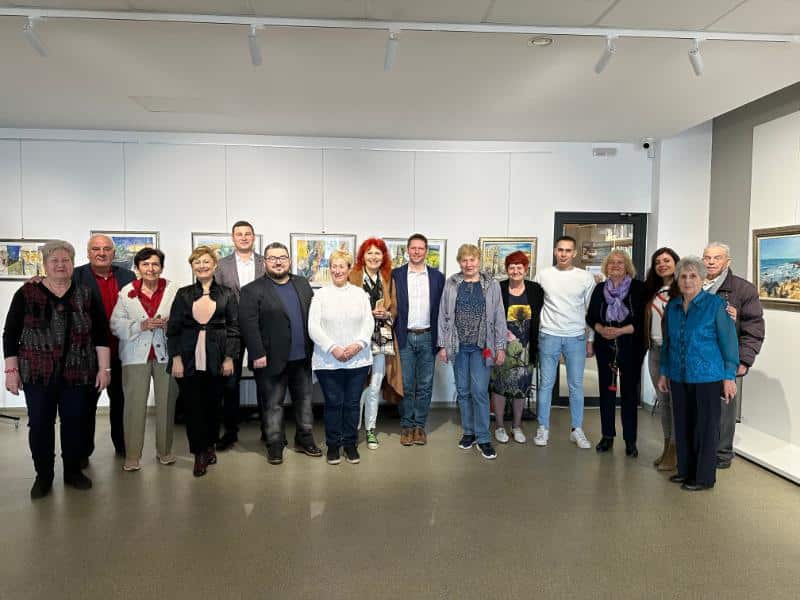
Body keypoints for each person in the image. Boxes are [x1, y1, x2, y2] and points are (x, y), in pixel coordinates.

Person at [3, 240, 110, 498]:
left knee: (75, 423)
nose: (60, 265)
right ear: (45, 264)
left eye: (66, 260)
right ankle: (44, 476)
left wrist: (104, 369)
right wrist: (11, 372)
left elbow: (101, 333)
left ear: (73, 263)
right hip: (37, 374)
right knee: (40, 425)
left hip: (79, 372)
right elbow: (10, 334)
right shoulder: (27, 293)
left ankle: (73, 471)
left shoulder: (86, 294)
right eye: (54, 260)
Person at [658, 256, 739, 491]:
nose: (687, 280)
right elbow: (668, 343)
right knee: (683, 424)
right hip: (678, 375)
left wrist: (729, 376)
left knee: (705, 427)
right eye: (683, 276)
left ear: (702, 279)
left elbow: (729, 342)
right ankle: (685, 471)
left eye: (693, 276)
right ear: (677, 279)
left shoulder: (715, 305)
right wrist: (664, 372)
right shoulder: (673, 307)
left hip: (708, 377)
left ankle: (703, 477)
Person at [239, 242, 322, 465]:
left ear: (289, 260)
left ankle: (304, 438)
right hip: (269, 359)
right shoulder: (251, 290)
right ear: (264, 262)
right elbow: (248, 325)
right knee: (272, 404)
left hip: (302, 357)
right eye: (273, 258)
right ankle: (274, 443)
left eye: (282, 257)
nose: (278, 262)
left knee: (304, 401)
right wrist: (257, 353)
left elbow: (313, 317)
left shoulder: (302, 284)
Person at [167, 246, 239, 477]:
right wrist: (176, 358)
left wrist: (229, 358)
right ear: (192, 267)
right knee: (193, 409)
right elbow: (173, 329)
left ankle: (210, 446)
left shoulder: (227, 294)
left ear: (215, 265)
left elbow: (234, 329)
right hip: (187, 359)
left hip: (217, 358)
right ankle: (199, 453)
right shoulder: (183, 294)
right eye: (196, 262)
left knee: (213, 407)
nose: (202, 266)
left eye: (206, 261)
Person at [109, 248, 179, 472]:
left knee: (166, 404)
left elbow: (184, 319)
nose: (150, 268)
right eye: (145, 264)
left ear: (162, 267)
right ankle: (132, 455)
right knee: (134, 406)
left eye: (155, 264)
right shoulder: (126, 292)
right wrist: (142, 325)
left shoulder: (173, 290)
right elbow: (115, 324)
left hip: (165, 355)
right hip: (134, 356)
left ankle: (164, 451)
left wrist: (170, 325)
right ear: (137, 268)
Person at [438, 243, 507, 460]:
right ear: (460, 262)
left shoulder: (491, 284)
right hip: (458, 346)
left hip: (481, 347)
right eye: (464, 260)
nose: (469, 264)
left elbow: (499, 316)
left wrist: (500, 346)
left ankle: (483, 438)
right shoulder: (451, 283)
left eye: (472, 259)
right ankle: (468, 432)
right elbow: (443, 315)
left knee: (479, 392)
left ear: (479, 261)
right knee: (463, 391)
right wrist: (443, 345)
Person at [701, 242, 765, 469]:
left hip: (724, 359)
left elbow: (754, 327)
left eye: (717, 258)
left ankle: (721, 455)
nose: (711, 262)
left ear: (727, 261)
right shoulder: (694, 285)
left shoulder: (743, 289)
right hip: (697, 358)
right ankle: (701, 451)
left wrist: (745, 360)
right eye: (707, 257)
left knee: (724, 408)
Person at [73, 234, 135, 460]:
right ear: (88, 253)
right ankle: (82, 452)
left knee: (121, 402)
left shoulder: (127, 276)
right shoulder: (75, 275)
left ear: (114, 253)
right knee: (86, 406)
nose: (101, 253)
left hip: (122, 351)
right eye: (96, 249)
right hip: (88, 355)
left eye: (107, 249)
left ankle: (123, 445)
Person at [308, 250, 374, 466]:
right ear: (330, 269)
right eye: (334, 266)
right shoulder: (320, 296)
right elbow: (313, 327)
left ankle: (350, 444)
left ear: (349, 269)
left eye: (341, 266)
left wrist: (358, 345)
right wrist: (332, 348)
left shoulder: (360, 295)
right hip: (328, 361)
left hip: (358, 360)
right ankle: (333, 445)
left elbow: (368, 323)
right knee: (334, 403)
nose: (337, 270)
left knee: (353, 404)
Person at [533, 236, 596, 449]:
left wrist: (590, 339)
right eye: (560, 250)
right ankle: (543, 428)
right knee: (546, 384)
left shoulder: (585, 277)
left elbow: (591, 311)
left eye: (568, 250)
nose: (563, 254)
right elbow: (536, 306)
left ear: (574, 253)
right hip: (548, 335)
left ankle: (577, 429)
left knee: (576, 385)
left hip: (576, 337)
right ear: (555, 251)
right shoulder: (543, 275)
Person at [586, 250, 647, 457]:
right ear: (606, 266)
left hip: (630, 344)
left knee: (629, 393)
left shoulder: (638, 288)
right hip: (605, 345)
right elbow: (590, 316)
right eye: (611, 262)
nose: (615, 265)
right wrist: (600, 329)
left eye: (620, 262)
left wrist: (620, 331)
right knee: (607, 391)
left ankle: (630, 440)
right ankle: (607, 436)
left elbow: (642, 320)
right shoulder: (599, 288)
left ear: (627, 266)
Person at [213, 220, 265, 450]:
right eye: (239, 234)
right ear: (233, 238)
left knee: (264, 380)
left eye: (247, 234)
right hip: (230, 329)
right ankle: (230, 432)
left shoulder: (265, 263)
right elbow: (215, 295)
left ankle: (268, 430)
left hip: (260, 328)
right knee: (230, 382)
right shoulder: (221, 265)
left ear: (253, 237)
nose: (243, 237)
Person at [349, 238, 403, 450]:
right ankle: (353, 429)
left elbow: (395, 308)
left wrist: (386, 314)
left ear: (383, 257)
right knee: (357, 386)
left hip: (382, 336)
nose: (373, 257)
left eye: (377, 253)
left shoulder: (388, 277)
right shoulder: (353, 276)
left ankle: (370, 429)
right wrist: (366, 313)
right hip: (358, 337)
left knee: (375, 385)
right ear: (362, 256)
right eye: (369, 253)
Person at [393, 233, 445, 446]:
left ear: (426, 251)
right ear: (408, 250)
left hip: (428, 337)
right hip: (404, 336)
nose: (416, 251)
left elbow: (442, 310)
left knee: (424, 385)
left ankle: (419, 426)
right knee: (405, 384)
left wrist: (442, 340)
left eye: (420, 248)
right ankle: (407, 426)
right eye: (413, 248)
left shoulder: (437, 277)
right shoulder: (396, 275)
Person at [491, 250, 543, 445]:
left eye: (519, 267)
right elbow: (491, 317)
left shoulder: (535, 290)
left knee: (522, 387)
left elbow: (540, 316)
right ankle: (499, 426)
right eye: (511, 267)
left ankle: (517, 426)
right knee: (499, 387)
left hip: (526, 348)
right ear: (507, 269)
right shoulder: (498, 288)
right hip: (502, 347)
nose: (515, 271)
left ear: (526, 269)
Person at [644, 247, 680, 471]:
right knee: (664, 402)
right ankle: (667, 446)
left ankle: (675, 451)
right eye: (658, 262)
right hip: (655, 350)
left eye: (667, 260)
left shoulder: (682, 289)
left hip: (674, 352)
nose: (662, 265)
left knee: (676, 403)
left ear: (676, 263)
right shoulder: (652, 290)